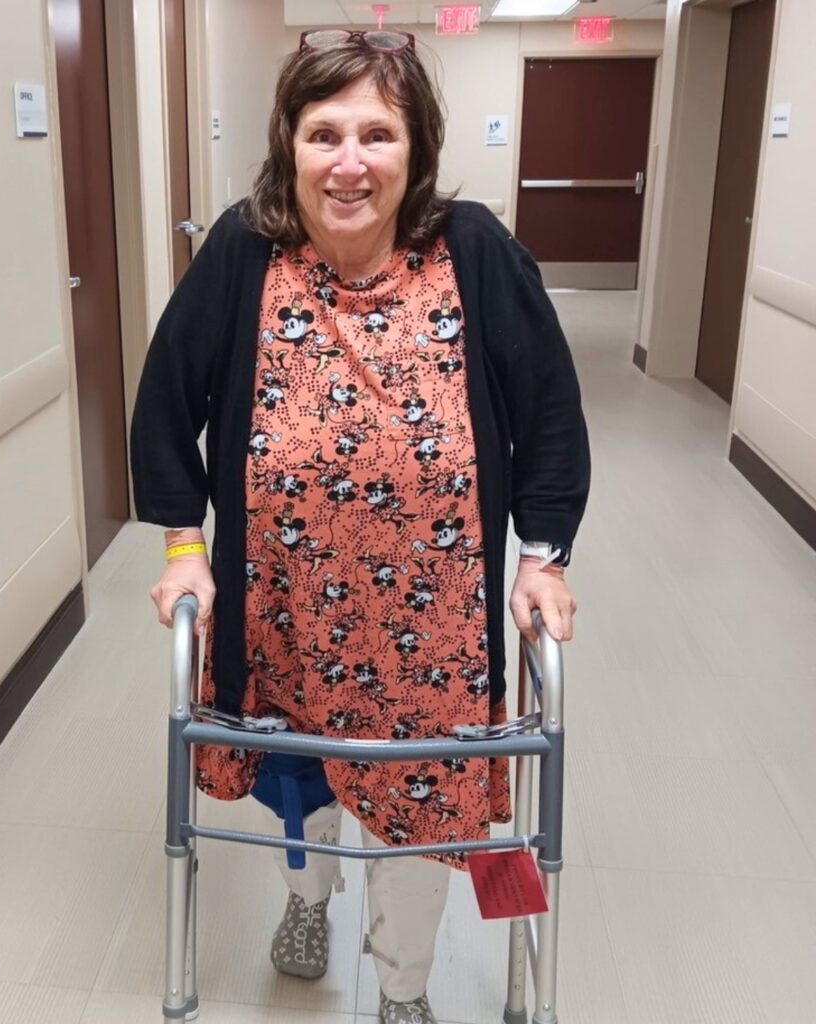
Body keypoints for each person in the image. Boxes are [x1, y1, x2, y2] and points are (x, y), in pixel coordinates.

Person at [131, 28, 589, 1024]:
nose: (348, 162)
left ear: (415, 150)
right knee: (302, 775)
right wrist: (182, 548)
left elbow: (548, 405)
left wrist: (541, 557)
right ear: (287, 145)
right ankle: (307, 900)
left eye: (375, 134)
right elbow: (167, 398)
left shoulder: (472, 250)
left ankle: (403, 986)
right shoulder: (243, 253)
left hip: (436, 628)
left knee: (418, 803)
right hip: (285, 603)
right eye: (323, 132)